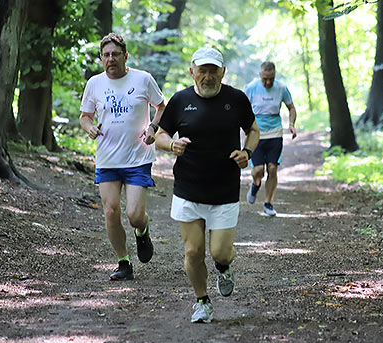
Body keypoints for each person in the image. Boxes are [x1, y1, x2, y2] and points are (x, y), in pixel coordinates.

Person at [154, 47, 260, 323]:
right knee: (192, 251)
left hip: (224, 190)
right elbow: (162, 134)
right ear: (193, 72)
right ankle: (202, 302)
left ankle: (223, 268)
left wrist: (247, 153)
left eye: (214, 70)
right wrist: (171, 145)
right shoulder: (180, 100)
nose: (208, 76)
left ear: (223, 72)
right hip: (188, 188)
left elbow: (253, 130)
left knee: (220, 252)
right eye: (203, 70)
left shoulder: (236, 99)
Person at [79, 32, 166, 281]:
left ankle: (142, 231)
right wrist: (89, 128)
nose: (110, 59)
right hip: (107, 158)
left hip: (138, 157)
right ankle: (123, 262)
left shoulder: (143, 79)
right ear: (101, 58)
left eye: (115, 54)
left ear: (125, 56)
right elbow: (85, 116)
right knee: (110, 211)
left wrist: (153, 128)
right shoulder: (94, 84)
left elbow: (161, 106)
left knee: (135, 215)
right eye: (106, 55)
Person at [244, 61, 297, 216]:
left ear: (275, 76)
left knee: (272, 168)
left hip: (275, 133)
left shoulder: (281, 88)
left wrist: (292, 123)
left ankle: (268, 204)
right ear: (260, 75)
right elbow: (242, 109)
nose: (268, 83)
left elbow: (291, 107)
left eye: (271, 79)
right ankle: (255, 184)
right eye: (265, 79)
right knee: (258, 171)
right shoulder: (251, 88)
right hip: (256, 134)